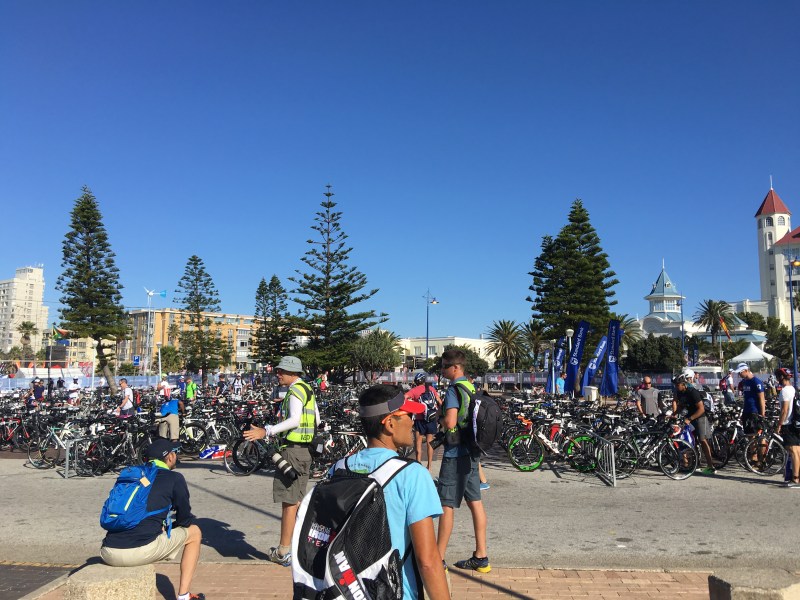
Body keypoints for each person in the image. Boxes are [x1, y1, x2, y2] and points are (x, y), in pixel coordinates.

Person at [337, 384, 450, 599]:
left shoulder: (339, 467)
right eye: (409, 415)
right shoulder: (412, 474)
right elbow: (428, 561)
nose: (414, 422)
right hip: (394, 592)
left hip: (346, 589)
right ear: (390, 423)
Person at [100, 439, 205, 600]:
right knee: (195, 533)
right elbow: (185, 520)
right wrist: (170, 526)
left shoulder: (133, 475)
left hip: (108, 551)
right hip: (137, 552)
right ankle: (184, 596)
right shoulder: (174, 478)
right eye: (175, 453)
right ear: (170, 457)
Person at [242, 355, 319, 566]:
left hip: (292, 451)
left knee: (289, 502)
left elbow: (295, 420)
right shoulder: (307, 389)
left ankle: (284, 551)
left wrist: (267, 431)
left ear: (292, 373)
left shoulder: (294, 391)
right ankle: (299, 547)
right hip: (305, 451)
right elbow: (317, 419)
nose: (278, 374)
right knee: (298, 500)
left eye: (281, 371)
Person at [437, 348, 491, 573]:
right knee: (475, 502)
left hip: (455, 453)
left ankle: (438, 559)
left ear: (456, 367)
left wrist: (440, 418)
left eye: (444, 366)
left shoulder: (453, 390)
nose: (442, 370)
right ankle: (481, 556)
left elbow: (450, 422)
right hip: (472, 451)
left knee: (446, 504)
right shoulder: (470, 386)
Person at [672, 373, 717, 474]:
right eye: (675, 385)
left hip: (699, 417)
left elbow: (701, 409)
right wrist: (673, 414)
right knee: (691, 441)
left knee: (703, 440)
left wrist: (690, 419)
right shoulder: (679, 393)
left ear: (683, 384)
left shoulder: (693, 392)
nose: (676, 387)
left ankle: (710, 466)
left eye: (678, 385)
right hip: (689, 418)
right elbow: (680, 406)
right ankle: (695, 464)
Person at [404, 372, 442, 471]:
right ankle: (429, 466)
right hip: (431, 419)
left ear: (416, 381)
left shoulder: (414, 390)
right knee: (430, 443)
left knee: (418, 443)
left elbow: (404, 398)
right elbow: (439, 401)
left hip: (419, 420)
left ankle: (418, 464)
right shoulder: (431, 389)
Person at [775, 368, 800, 488]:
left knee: (793, 451)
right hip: (795, 423)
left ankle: (795, 479)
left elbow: (784, 410)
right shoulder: (793, 389)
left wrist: (779, 424)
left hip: (788, 424)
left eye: (778, 376)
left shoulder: (784, 391)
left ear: (781, 377)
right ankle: (797, 476)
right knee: (797, 451)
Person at [735, 362, 766, 435]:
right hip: (746, 411)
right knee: (748, 435)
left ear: (746, 370)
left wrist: (762, 415)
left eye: (740, 372)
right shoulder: (744, 381)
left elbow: (762, 398)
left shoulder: (756, 382)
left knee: (756, 435)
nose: (739, 374)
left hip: (754, 411)